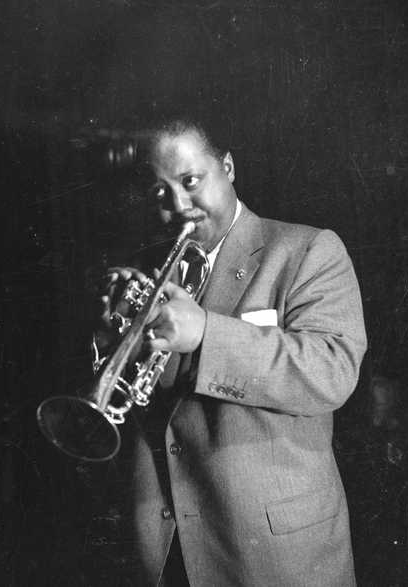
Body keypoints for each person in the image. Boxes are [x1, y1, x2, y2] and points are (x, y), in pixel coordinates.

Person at [99, 115, 367, 587]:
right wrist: (113, 338)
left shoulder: (305, 250)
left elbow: (332, 371)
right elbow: (141, 404)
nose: (179, 205)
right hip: (169, 548)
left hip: (275, 554)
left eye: (190, 181)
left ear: (228, 167)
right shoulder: (150, 268)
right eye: (160, 192)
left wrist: (206, 333)